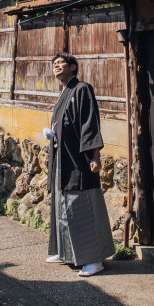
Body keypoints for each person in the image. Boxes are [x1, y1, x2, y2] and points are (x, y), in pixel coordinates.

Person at [44, 52, 115, 277]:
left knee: (80, 206)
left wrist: (95, 156)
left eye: (61, 63)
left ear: (73, 67)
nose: (56, 66)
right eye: (54, 64)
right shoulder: (65, 91)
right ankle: (66, 253)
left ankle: (93, 259)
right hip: (62, 158)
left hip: (78, 159)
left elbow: (90, 124)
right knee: (62, 204)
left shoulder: (82, 89)